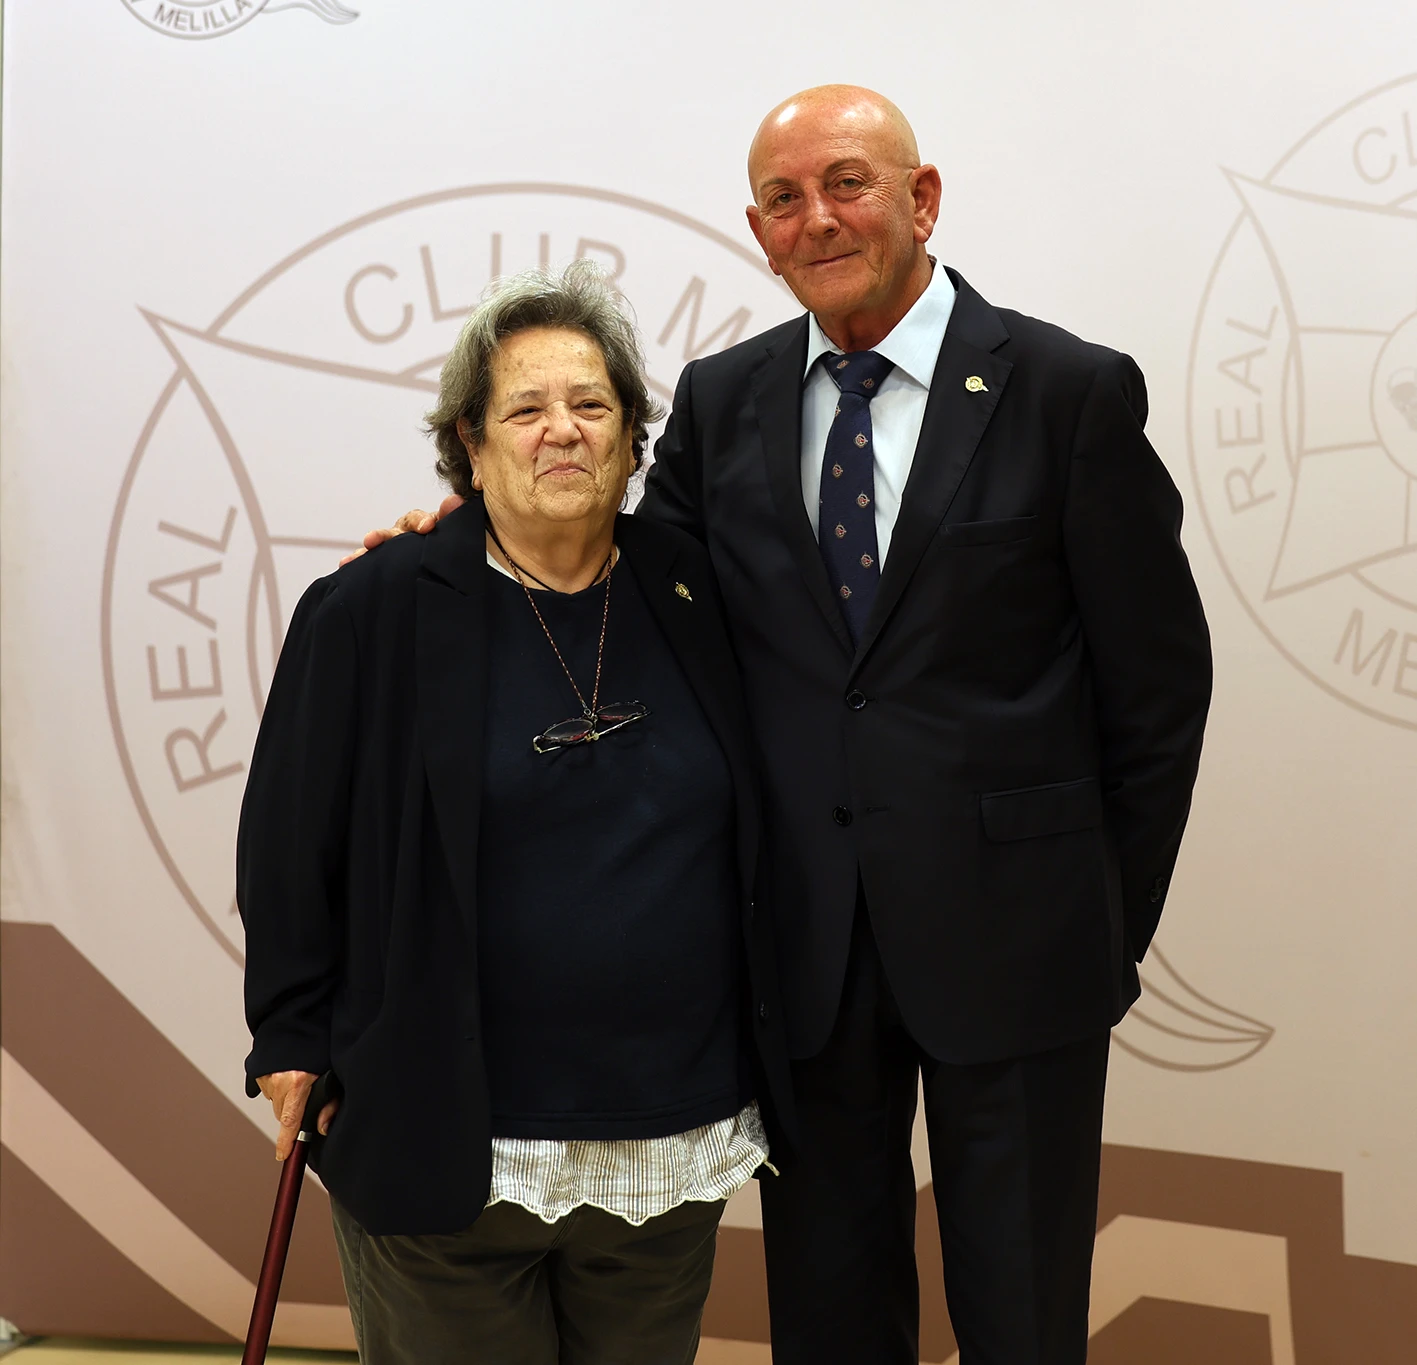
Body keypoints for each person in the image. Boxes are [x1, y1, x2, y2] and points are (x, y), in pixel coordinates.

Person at [361, 85, 1213, 1365]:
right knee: (827, 1314)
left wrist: (1100, 915)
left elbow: (1157, 690)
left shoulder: (1066, 390)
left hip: (1020, 948)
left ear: (922, 199)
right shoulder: (724, 400)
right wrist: (464, 534)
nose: (817, 217)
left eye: (847, 183)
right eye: (782, 198)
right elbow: (623, 570)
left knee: (1024, 1314)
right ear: (757, 231)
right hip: (802, 951)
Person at [238, 261, 793, 1365]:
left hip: (665, 1133)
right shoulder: (372, 610)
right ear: (471, 443)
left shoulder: (703, 592)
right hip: (445, 1133)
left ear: (631, 438)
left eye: (591, 404)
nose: (563, 431)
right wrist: (289, 1032)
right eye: (525, 409)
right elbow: (290, 841)